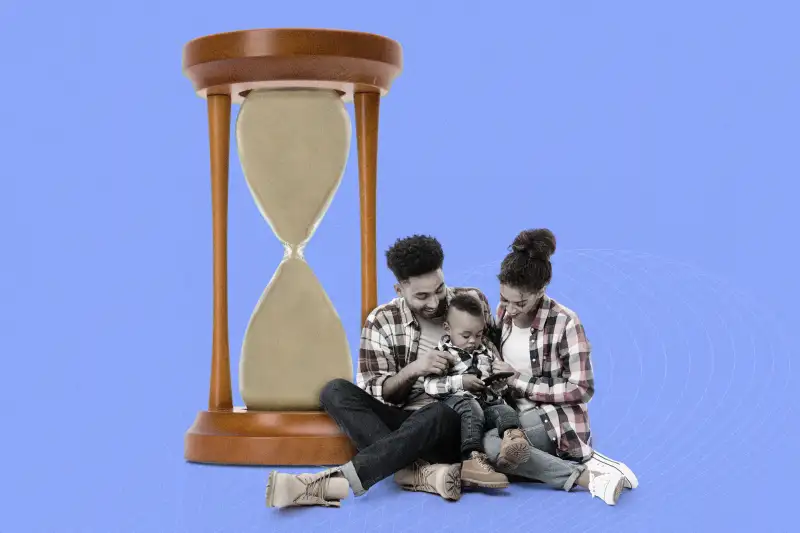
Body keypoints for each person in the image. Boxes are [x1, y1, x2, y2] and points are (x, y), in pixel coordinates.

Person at [266, 235, 491, 508]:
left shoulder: (471, 302)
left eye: (439, 289)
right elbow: (381, 392)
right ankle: (416, 473)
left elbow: (491, 359)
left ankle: (329, 484)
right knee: (334, 390)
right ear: (399, 289)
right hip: (405, 422)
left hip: (454, 422)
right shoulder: (381, 321)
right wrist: (414, 370)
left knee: (442, 410)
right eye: (422, 296)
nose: (434, 302)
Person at [479, 228, 639, 506]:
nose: (510, 309)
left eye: (520, 302)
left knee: (493, 448)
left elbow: (582, 388)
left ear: (541, 291)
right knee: (473, 445)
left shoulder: (565, 322)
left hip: (554, 418)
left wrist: (518, 381)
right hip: (513, 413)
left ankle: (586, 477)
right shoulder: (504, 311)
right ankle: (591, 463)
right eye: (504, 298)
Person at [421, 292, 530, 489]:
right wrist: (461, 382)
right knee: (472, 407)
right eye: (466, 335)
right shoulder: (444, 354)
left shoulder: (485, 352)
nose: (473, 341)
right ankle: (471, 458)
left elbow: (500, 390)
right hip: (458, 405)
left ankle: (512, 442)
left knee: (503, 410)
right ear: (448, 329)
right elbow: (429, 385)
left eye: (478, 335)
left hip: (486, 402)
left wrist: (499, 382)